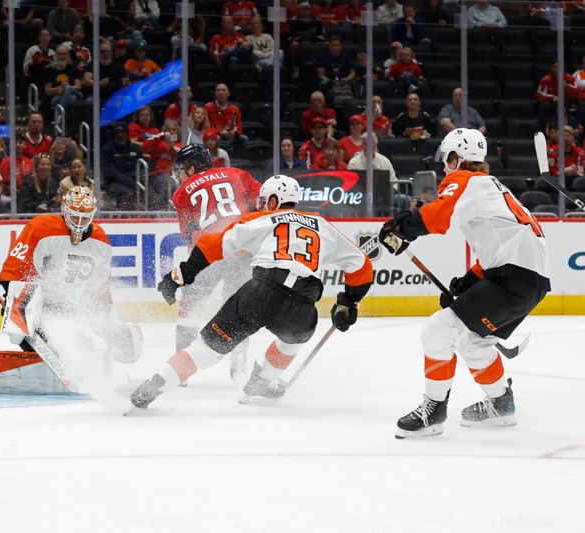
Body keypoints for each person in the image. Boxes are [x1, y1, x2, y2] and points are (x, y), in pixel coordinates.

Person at [130, 175, 374, 409]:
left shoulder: (261, 220)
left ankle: (159, 381)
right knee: (292, 340)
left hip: (258, 295)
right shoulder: (323, 225)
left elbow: (210, 246)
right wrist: (348, 302)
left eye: (266, 200)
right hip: (302, 309)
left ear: (274, 201)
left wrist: (178, 277)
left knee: (205, 350)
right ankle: (262, 380)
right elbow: (362, 266)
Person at [377, 128, 549, 438]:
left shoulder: (466, 181)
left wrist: (404, 225)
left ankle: (434, 411)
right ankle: (501, 405)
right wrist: (467, 284)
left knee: (438, 330)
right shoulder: (492, 187)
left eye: (447, 159)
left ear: (457, 158)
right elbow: (503, 248)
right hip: (528, 281)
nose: (444, 166)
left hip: (513, 278)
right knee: (475, 342)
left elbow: (438, 216)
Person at [0, 185, 141, 365]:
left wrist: (102, 316)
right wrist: (11, 299)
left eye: (85, 218)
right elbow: (16, 265)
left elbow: (100, 286)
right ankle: (41, 355)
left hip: (73, 305)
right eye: (74, 216)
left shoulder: (101, 242)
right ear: (64, 210)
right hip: (41, 304)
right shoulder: (40, 228)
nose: (79, 223)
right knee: (18, 332)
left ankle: (127, 333)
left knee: (125, 347)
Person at [168, 144, 261, 380]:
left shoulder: (182, 193)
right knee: (239, 311)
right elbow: (263, 203)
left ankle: (180, 368)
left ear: (191, 167)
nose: (179, 175)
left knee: (189, 307)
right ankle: (239, 365)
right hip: (242, 252)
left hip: (208, 253)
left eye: (181, 170)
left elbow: (189, 233)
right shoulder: (238, 174)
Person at [101, 124, 142, 209]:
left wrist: (134, 177)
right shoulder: (107, 149)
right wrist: (124, 179)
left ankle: (153, 217)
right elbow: (108, 170)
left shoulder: (136, 148)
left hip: (134, 181)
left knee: (150, 193)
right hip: (114, 183)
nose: (120, 135)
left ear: (127, 133)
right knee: (127, 194)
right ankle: (127, 217)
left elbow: (142, 167)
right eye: (117, 132)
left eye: (122, 132)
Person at [40, 45, 83, 116]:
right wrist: (58, 89)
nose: (62, 57)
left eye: (65, 54)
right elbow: (47, 91)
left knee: (69, 91)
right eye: (60, 54)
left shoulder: (73, 68)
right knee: (72, 99)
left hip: (75, 93)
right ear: (55, 55)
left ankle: (59, 115)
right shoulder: (49, 70)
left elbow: (78, 86)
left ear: (68, 56)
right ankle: (62, 118)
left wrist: (66, 88)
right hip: (57, 96)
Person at [204, 83, 248, 152]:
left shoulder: (235, 109)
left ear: (228, 93)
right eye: (218, 90)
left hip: (230, 136)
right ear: (215, 93)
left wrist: (233, 132)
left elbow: (239, 128)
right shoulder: (208, 108)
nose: (221, 92)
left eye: (223, 90)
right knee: (216, 138)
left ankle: (241, 158)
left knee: (244, 138)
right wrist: (219, 132)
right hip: (216, 136)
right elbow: (206, 127)